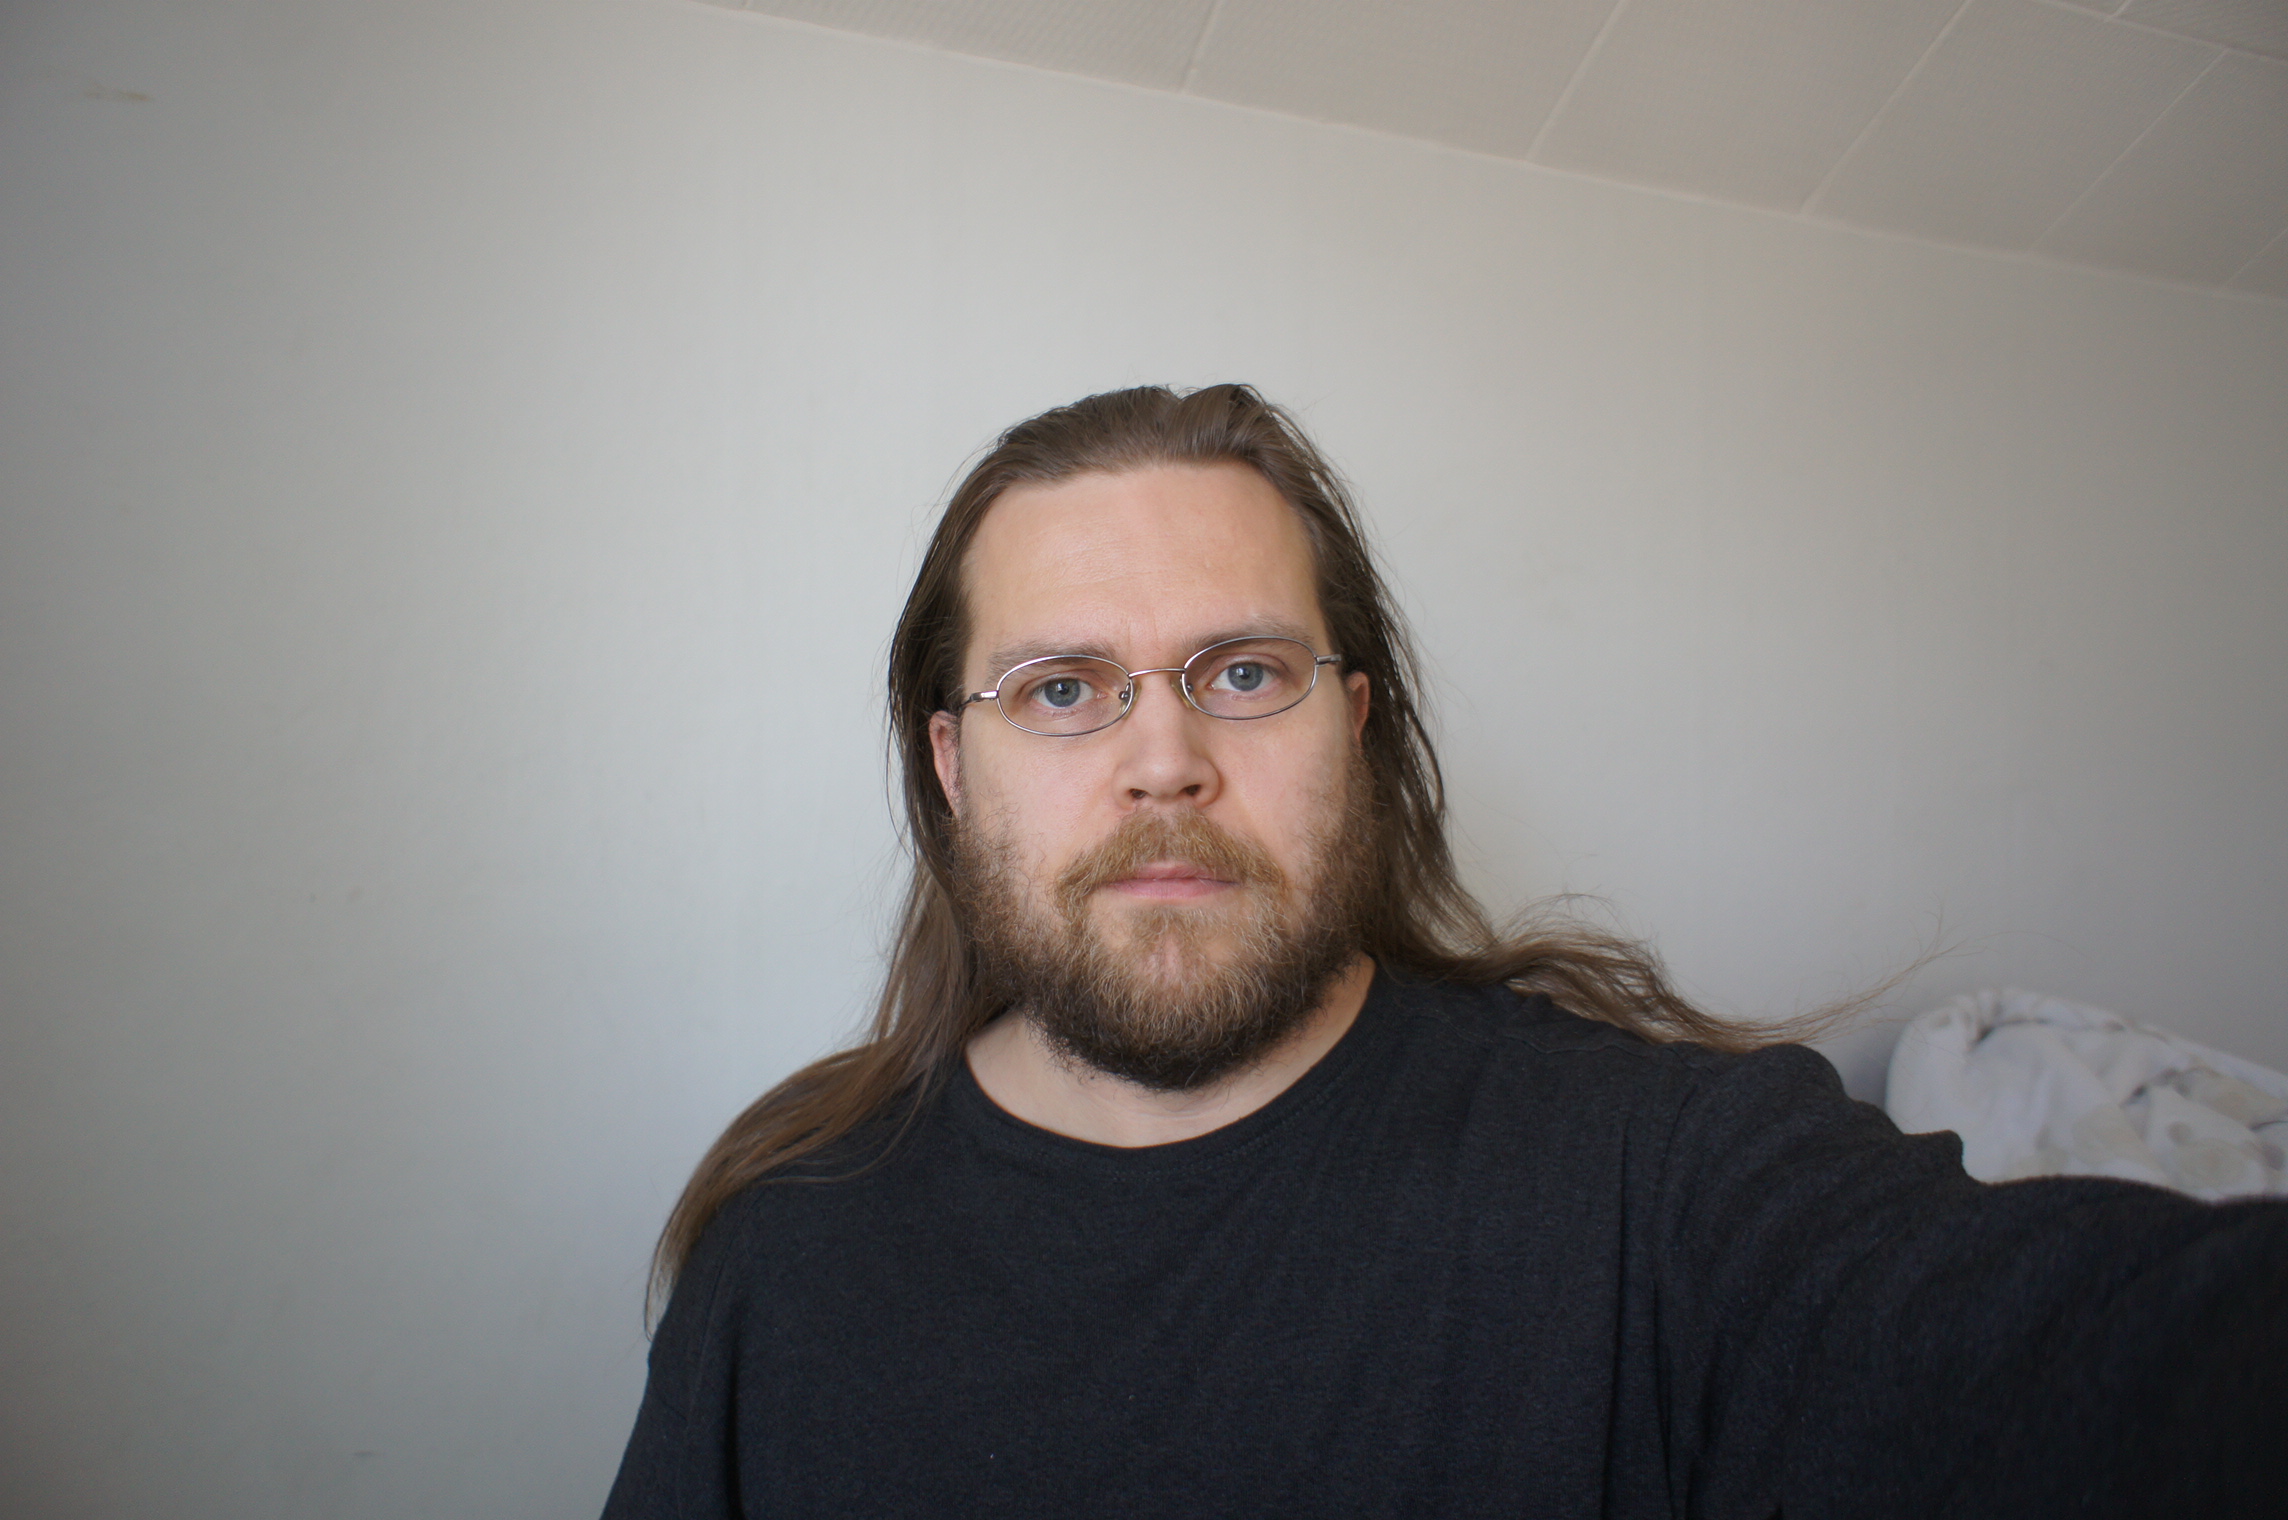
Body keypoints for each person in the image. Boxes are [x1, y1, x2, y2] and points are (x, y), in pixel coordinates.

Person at [602, 384, 2285, 1518]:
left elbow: (2109, 1366)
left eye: (1243, 674)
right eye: (1062, 690)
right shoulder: (784, 1255)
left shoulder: (1652, 1184)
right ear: (953, 765)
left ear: (1352, 727)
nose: (1163, 760)